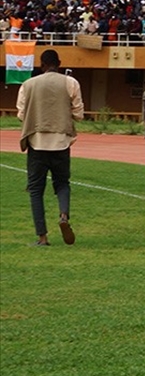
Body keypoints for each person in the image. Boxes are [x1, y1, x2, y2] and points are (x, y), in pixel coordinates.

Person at [16, 49, 84, 246]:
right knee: (62, 183)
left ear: (41, 65)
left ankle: (42, 237)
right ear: (59, 63)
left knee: (36, 190)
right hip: (61, 142)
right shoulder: (70, 83)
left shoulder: (28, 84)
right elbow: (78, 113)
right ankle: (63, 215)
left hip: (37, 142)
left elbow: (21, 114)